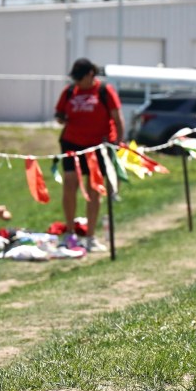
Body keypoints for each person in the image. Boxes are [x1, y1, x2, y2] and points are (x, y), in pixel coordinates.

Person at [54, 58, 124, 252]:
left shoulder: (104, 91)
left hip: (98, 146)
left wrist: (117, 143)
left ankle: (91, 237)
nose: (77, 82)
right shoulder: (70, 91)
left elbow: (117, 119)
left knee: (94, 189)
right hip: (72, 144)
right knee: (70, 185)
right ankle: (70, 233)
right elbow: (59, 114)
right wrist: (61, 118)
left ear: (90, 74)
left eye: (80, 78)